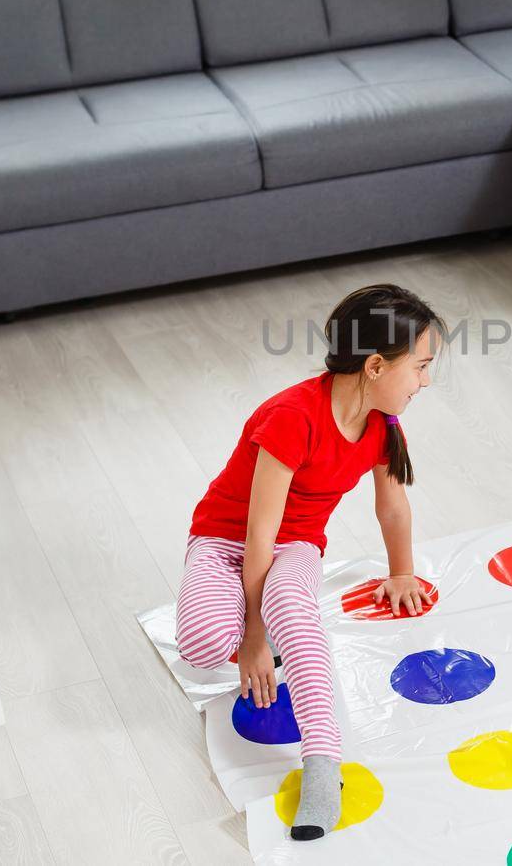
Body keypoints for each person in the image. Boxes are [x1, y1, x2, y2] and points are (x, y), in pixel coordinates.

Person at [174, 284, 440, 840]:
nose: (425, 381)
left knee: (296, 614)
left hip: (295, 548)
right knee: (201, 644)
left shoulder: (383, 426)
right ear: (374, 366)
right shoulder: (293, 417)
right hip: (228, 541)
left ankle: (323, 766)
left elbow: (392, 508)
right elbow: (256, 533)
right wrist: (253, 637)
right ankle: (270, 628)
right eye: (420, 367)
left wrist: (401, 572)